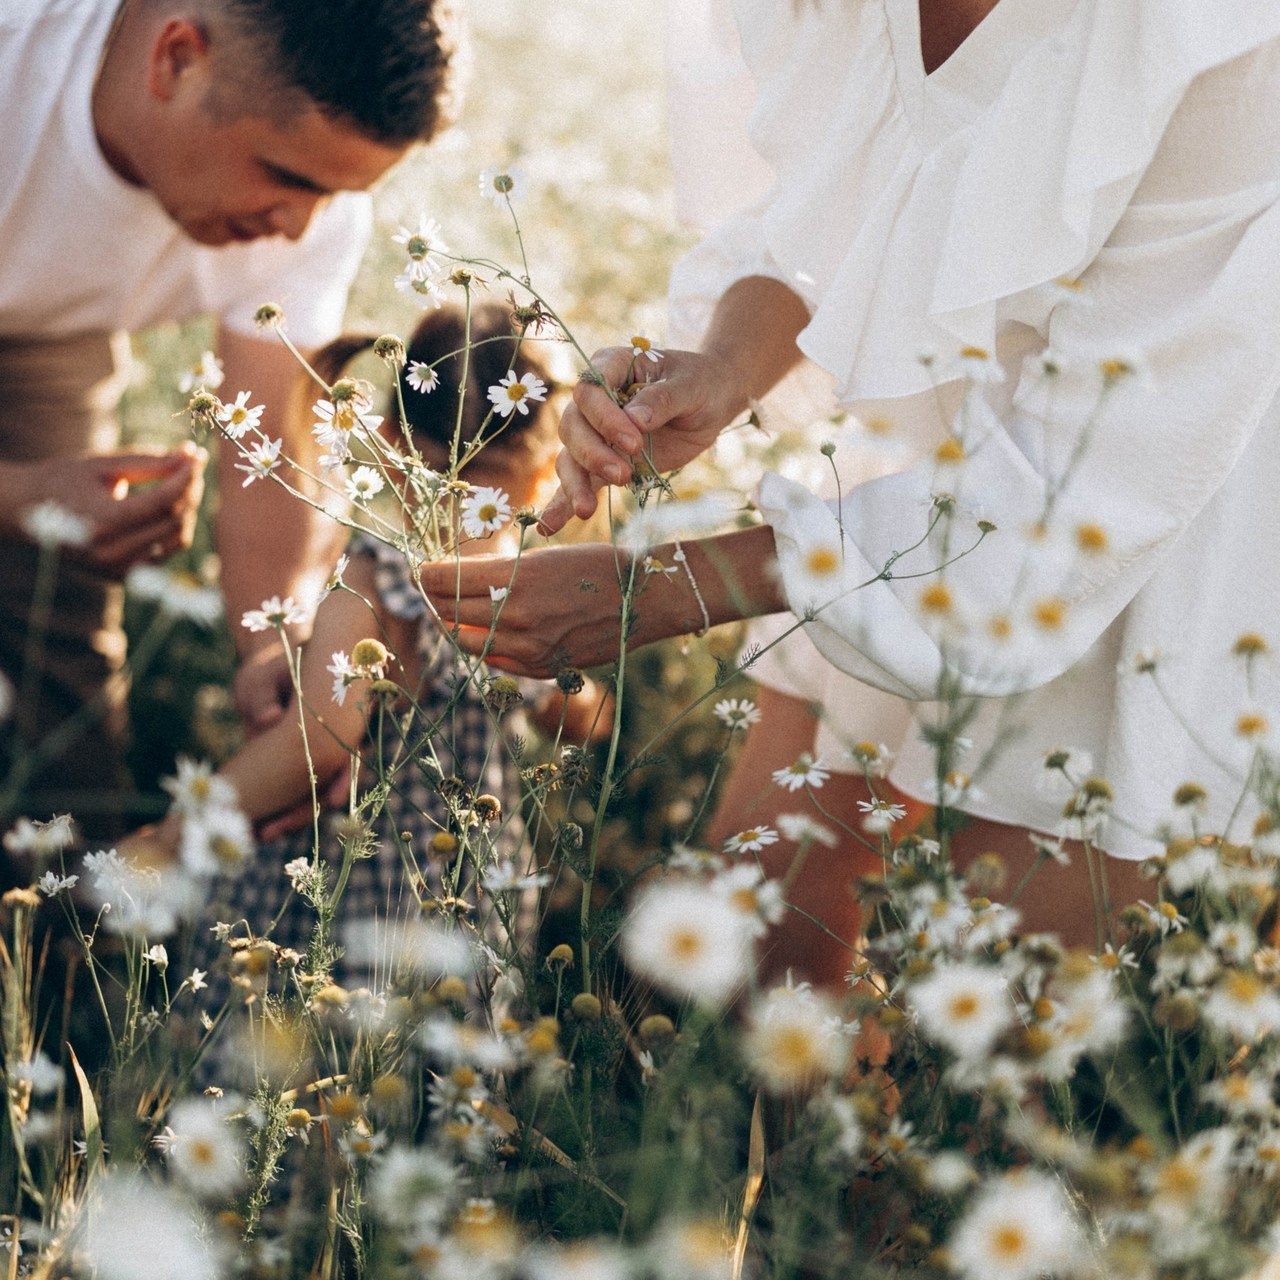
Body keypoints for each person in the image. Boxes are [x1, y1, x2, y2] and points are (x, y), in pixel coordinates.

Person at [419, 0, 1280, 956]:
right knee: (768, 925)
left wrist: (655, 590)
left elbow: (1083, 478)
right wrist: (722, 370)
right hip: (928, 475)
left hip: (1159, 498)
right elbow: (829, 213)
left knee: (999, 1000)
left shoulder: (1222, 38)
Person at [0, 0, 455, 836]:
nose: (297, 224)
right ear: (176, 59)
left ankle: (70, 913)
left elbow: (271, 452)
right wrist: (16, 491)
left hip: (42, 332)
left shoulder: (314, 217)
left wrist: (272, 652)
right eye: (287, 176)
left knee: (58, 608)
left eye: (335, 192)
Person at [124, 303, 612, 1009]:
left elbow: (321, 741)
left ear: (391, 444)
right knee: (439, 1081)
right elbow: (586, 722)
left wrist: (175, 831)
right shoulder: (533, 601)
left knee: (302, 1073)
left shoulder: (376, 575)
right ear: (545, 478)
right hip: (470, 902)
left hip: (345, 898)